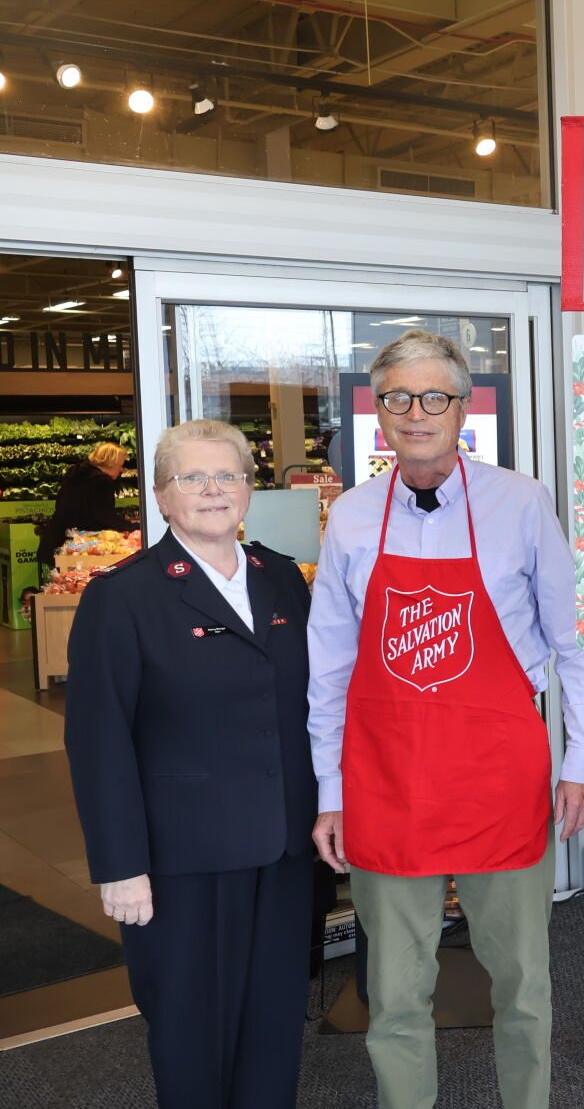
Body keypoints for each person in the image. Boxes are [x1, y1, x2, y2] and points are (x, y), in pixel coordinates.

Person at [306, 330, 584, 1109]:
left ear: (462, 405)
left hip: (497, 781)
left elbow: (575, 643)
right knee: (395, 992)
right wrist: (328, 787)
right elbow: (329, 668)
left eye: (433, 397)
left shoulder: (520, 502)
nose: (416, 413)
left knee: (521, 983)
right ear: (379, 412)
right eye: (399, 398)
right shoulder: (349, 517)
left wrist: (583, 759)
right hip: (386, 784)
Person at [63, 419, 316, 1108]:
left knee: (274, 1022)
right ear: (162, 495)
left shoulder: (281, 577)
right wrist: (120, 864)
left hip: (286, 846)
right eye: (192, 477)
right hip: (184, 857)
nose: (213, 490)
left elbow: (312, 705)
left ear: (249, 488)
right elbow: (98, 737)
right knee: (190, 1029)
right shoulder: (123, 595)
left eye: (228, 475)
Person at [38, 441, 130, 570]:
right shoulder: (102, 482)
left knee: (63, 582)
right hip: (82, 546)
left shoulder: (75, 473)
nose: (121, 470)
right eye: (121, 465)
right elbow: (104, 515)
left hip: (58, 539)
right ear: (111, 463)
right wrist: (131, 527)